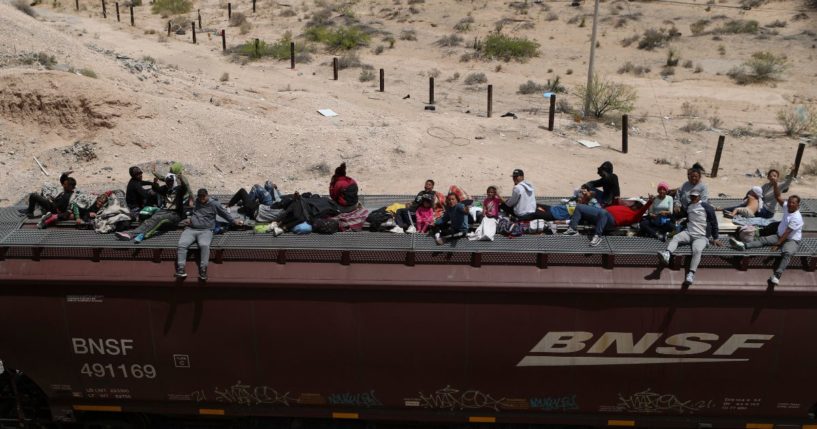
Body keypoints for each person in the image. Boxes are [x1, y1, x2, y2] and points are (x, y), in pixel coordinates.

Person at [730, 195, 803, 285]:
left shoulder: (797, 217)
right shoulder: (787, 208)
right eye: (789, 202)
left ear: (797, 205)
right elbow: (778, 197)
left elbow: (787, 233)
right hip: (779, 236)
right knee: (763, 240)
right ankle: (743, 245)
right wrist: (775, 184)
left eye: (793, 203)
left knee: (787, 253)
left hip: (791, 240)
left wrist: (777, 244)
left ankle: (777, 275)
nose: (790, 204)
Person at [176, 189, 243, 280]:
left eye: (203, 196)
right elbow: (195, 213)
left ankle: (203, 270)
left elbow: (224, 214)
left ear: (207, 195)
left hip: (205, 230)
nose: (201, 198)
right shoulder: (197, 202)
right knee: (182, 245)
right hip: (191, 229)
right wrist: (190, 219)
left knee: (204, 245)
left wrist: (234, 221)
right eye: (200, 196)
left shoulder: (214, 204)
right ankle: (181, 268)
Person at [658, 190, 721, 286]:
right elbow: (679, 215)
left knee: (697, 250)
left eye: (695, 196)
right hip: (689, 233)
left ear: (699, 197)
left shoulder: (706, 207)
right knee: (676, 237)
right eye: (692, 196)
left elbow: (714, 222)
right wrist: (671, 212)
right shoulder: (689, 206)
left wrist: (716, 238)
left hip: (701, 236)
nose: (693, 198)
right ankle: (667, 253)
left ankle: (691, 274)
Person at [116, 173, 188, 243]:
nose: (169, 183)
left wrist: (181, 180)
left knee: (158, 218)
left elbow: (185, 188)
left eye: (171, 181)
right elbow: (157, 189)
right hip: (165, 211)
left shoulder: (179, 189)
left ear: (174, 181)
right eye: (168, 181)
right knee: (151, 218)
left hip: (176, 214)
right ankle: (134, 233)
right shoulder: (165, 189)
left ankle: (133, 234)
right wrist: (154, 183)